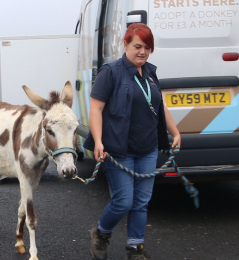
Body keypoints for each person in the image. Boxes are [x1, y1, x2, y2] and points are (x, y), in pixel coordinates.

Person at [84, 23, 181, 260]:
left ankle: (135, 248)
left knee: (141, 202)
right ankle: (101, 233)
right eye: (138, 46)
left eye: (147, 47)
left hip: (147, 148)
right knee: (123, 201)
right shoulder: (110, 72)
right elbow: (96, 109)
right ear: (125, 44)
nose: (143, 52)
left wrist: (175, 132)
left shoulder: (149, 72)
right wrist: (98, 141)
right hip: (118, 149)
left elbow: (159, 105)